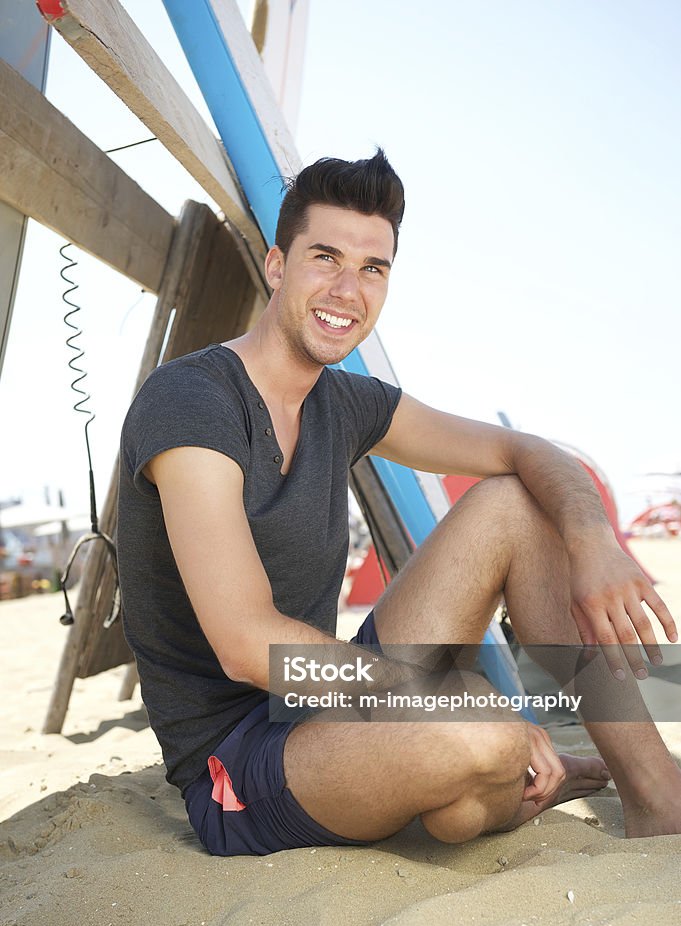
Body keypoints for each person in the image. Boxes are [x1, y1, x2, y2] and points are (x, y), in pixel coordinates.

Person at [117, 150, 680, 857]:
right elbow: (244, 645)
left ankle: (655, 794)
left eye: (372, 268)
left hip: (325, 706)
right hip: (239, 760)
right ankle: (492, 778)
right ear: (275, 265)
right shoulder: (192, 400)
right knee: (479, 739)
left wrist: (593, 542)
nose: (347, 289)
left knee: (514, 502)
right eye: (324, 257)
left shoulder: (343, 400)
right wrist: (437, 700)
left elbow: (524, 450)